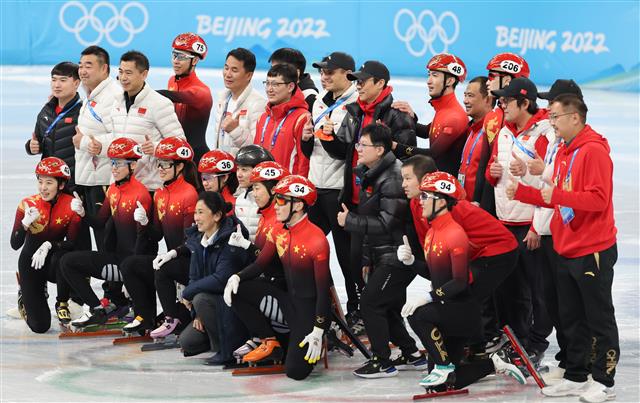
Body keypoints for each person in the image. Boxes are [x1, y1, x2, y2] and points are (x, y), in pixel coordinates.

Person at [508, 94, 619, 402]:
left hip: (592, 247)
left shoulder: (593, 151)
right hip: (566, 245)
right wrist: (523, 193)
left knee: (597, 317)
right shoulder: (566, 151)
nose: (551, 123)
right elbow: (553, 195)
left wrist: (554, 194)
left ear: (575, 117)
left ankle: (604, 380)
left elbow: (597, 200)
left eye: (555, 117)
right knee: (570, 318)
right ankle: (576, 374)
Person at [402, 171, 524, 391]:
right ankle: (492, 363)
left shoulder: (454, 231)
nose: (419, 202)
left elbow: (458, 283)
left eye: (424, 197)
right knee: (440, 385)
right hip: (467, 285)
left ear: (440, 201)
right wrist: (411, 262)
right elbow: (438, 273)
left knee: (424, 313)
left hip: (498, 255)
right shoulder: (433, 230)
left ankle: (469, 348)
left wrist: (430, 298)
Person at [323, 61, 416, 330]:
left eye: (364, 80)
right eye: (357, 80)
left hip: (385, 203)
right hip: (355, 201)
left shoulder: (398, 115)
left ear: (380, 84)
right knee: (356, 264)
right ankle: (365, 316)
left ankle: (390, 324)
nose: (359, 85)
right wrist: (329, 139)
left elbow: (407, 157)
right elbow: (345, 153)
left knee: (387, 267)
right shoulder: (353, 111)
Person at [337, 123, 424, 378]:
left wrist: (350, 221)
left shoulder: (393, 177)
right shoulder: (372, 172)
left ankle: (382, 361)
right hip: (384, 252)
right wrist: (367, 258)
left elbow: (388, 222)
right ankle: (411, 353)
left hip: (399, 254)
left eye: (362, 146)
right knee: (386, 304)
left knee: (371, 303)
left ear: (379, 149)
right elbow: (372, 218)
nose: (358, 150)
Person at [224, 175, 331, 381]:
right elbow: (260, 264)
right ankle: (270, 341)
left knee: (295, 372)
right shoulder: (278, 231)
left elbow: (323, 292)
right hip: (287, 301)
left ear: (298, 205)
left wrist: (318, 329)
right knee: (239, 290)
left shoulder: (317, 241)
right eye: (276, 200)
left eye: (281, 201)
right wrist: (236, 277)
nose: (276, 206)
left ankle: (314, 340)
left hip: (309, 312)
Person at [486, 77, 553, 361]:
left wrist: (537, 225)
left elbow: (551, 182)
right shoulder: (503, 131)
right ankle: (519, 339)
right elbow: (493, 170)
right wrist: (493, 173)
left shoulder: (545, 132)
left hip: (530, 225)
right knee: (511, 289)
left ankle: (537, 343)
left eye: (506, 101)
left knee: (538, 290)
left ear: (524, 103)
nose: (501, 105)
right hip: (505, 223)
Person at [63, 138, 153, 327]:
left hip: (132, 264)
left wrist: (131, 276)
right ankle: (97, 309)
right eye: (112, 162)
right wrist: (82, 213)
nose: (114, 167)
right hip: (115, 260)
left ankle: (138, 310)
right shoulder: (112, 189)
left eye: (119, 163)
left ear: (133, 165)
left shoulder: (141, 194)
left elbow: (145, 240)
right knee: (67, 262)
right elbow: (99, 222)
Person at [119, 137, 199, 335]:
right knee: (130, 264)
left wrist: (173, 253)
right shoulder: (160, 194)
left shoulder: (190, 194)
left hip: (191, 261)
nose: (160, 168)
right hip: (171, 258)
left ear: (179, 166)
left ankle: (171, 319)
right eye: (158, 163)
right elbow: (156, 236)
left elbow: (193, 239)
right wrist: (144, 223)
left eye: (165, 164)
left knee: (162, 268)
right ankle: (144, 316)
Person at [302, 51, 360, 315]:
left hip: (339, 191)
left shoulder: (356, 103)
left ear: (348, 74)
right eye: (321, 71)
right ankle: (324, 307)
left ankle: (356, 310)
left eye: (329, 72)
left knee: (347, 257)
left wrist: (327, 138)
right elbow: (310, 151)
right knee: (303, 249)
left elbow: (344, 152)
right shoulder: (319, 103)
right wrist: (306, 138)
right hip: (316, 188)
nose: (323, 76)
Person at [224, 161, 291, 361]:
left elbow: (267, 262)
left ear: (273, 189)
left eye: (257, 188)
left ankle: (268, 340)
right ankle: (261, 338)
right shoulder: (265, 216)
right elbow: (264, 259)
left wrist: (240, 270)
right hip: (275, 283)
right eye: (252, 188)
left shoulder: (278, 219)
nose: (253, 193)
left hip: (287, 292)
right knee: (241, 285)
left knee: (240, 289)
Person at [178, 191, 252, 364]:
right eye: (195, 212)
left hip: (232, 303)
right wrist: (198, 315)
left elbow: (222, 279)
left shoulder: (231, 238)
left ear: (217, 215)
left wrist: (188, 293)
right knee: (187, 342)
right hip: (210, 303)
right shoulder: (198, 238)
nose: (196, 217)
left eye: (201, 212)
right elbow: (194, 276)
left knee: (201, 298)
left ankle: (226, 348)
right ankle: (213, 337)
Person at [10, 157, 81, 333]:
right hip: (30, 264)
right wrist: (25, 224)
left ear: (61, 185)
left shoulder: (71, 206)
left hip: (54, 263)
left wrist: (49, 244)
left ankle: (62, 302)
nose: (43, 188)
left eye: (49, 183)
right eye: (40, 182)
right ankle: (24, 295)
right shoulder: (27, 204)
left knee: (65, 259)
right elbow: (14, 244)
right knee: (40, 326)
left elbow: (72, 243)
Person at [111, 50, 185, 192]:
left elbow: (180, 143)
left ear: (144, 74)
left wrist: (157, 148)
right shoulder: (116, 103)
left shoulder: (159, 103)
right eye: (120, 72)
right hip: (120, 185)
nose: (123, 78)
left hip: (149, 186)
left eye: (129, 73)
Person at [73, 46, 121, 251]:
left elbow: (122, 136)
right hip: (90, 178)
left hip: (103, 180)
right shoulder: (92, 95)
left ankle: (115, 283)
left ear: (104, 69)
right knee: (99, 240)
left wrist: (84, 143)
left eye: (89, 66)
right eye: (81, 65)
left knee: (107, 241)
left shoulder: (114, 96)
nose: (82, 70)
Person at [394, 54, 469, 177]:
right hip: (438, 181)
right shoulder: (444, 110)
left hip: (445, 189)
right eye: (429, 75)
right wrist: (408, 118)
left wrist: (396, 146)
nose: (428, 81)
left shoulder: (454, 117)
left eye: (435, 75)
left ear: (450, 81)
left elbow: (432, 153)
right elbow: (427, 132)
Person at [157, 33, 212, 163]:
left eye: (182, 57)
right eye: (174, 55)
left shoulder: (201, 92)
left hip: (196, 156)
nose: (176, 60)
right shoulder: (172, 81)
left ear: (195, 60)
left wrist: (140, 90)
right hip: (176, 153)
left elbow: (172, 96)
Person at [27, 62, 82, 191]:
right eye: (54, 80)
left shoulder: (83, 112)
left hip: (73, 183)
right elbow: (38, 139)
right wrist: (31, 146)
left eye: (63, 80)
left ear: (76, 83)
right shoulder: (46, 111)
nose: (57, 85)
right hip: (49, 182)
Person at [254, 63, 310, 175]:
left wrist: (296, 188)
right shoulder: (263, 118)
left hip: (287, 188)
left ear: (290, 87)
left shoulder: (302, 118)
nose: (269, 89)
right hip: (262, 187)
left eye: (275, 84)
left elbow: (304, 161)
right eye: (267, 83)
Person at [214, 48, 266, 155]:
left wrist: (235, 130)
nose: (227, 74)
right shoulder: (223, 99)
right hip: (222, 167)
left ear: (249, 75)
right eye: (226, 68)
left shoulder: (258, 104)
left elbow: (257, 150)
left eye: (234, 70)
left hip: (241, 169)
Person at [459, 76, 494, 204]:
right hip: (463, 204)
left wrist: (481, 203)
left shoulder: (493, 132)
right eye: (465, 95)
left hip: (478, 208)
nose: (465, 101)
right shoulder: (471, 128)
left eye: (470, 96)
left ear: (488, 99)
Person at [233, 145, 275, 241]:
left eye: (244, 169)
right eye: (238, 169)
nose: (239, 174)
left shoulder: (274, 202)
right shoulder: (239, 200)